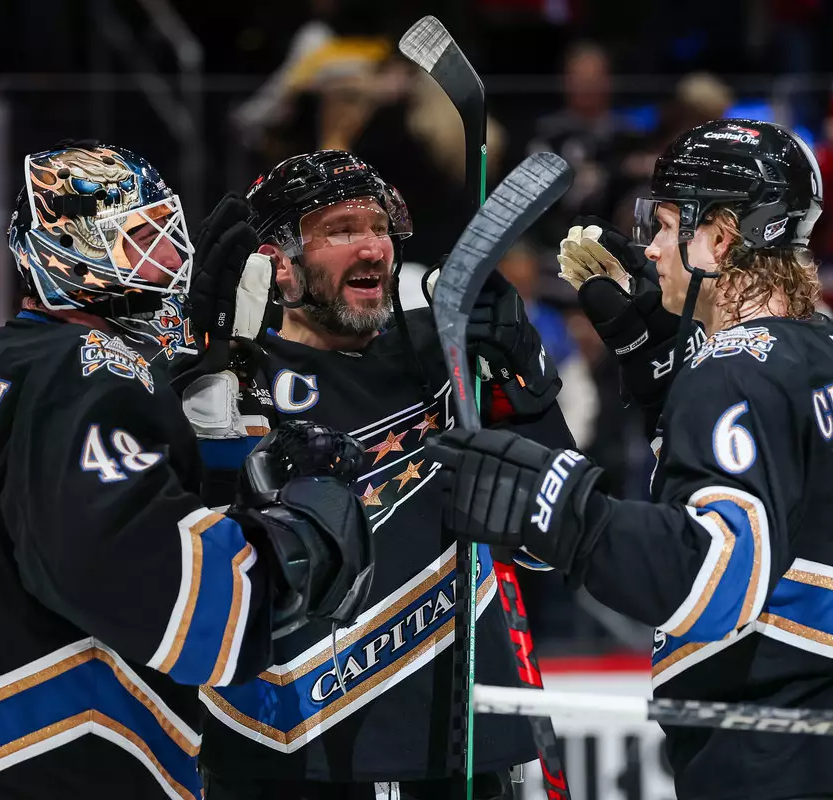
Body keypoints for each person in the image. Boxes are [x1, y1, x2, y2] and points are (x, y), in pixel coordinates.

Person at [428, 119, 833, 800]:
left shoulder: (730, 376)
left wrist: (567, 511)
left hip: (782, 747)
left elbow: (722, 578)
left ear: (719, 235)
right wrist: (658, 361)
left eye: (664, 225)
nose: (652, 248)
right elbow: (775, 489)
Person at [0, 141, 374, 800]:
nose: (175, 260)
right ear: (73, 248)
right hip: (48, 767)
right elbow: (195, 608)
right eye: (143, 237)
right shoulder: (87, 370)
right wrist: (307, 527)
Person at [168, 150, 570, 799]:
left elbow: (549, 540)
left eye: (380, 227)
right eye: (341, 230)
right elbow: (192, 546)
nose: (374, 248)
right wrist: (201, 379)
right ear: (279, 263)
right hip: (288, 756)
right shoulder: (235, 375)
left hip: (457, 750)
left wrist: (526, 386)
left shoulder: (443, 355)